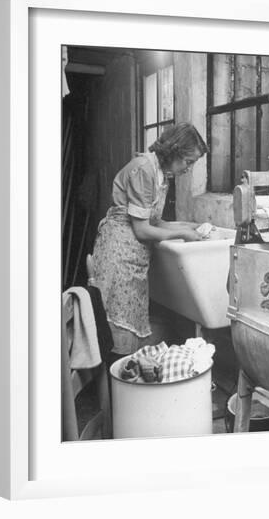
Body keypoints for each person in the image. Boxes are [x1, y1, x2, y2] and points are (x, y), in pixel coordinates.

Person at [90, 122, 208, 362]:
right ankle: (117, 386)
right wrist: (183, 235)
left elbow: (155, 221)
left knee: (127, 321)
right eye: (188, 161)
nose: (190, 168)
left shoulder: (159, 172)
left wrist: (189, 226)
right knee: (116, 324)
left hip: (133, 256)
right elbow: (143, 230)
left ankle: (124, 382)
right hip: (119, 254)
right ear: (174, 151)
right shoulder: (144, 169)